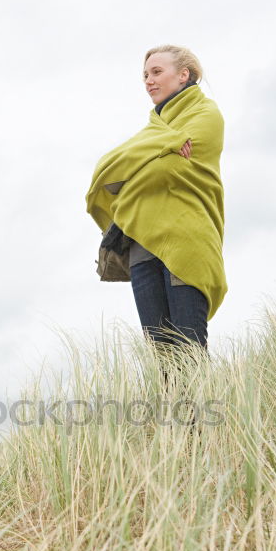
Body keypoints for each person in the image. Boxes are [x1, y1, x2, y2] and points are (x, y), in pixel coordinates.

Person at [85, 45, 227, 377]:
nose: (149, 81)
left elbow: (166, 172)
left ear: (184, 75)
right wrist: (164, 148)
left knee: (189, 351)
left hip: (185, 244)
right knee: (161, 358)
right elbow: (106, 168)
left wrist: (135, 171)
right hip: (142, 250)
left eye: (157, 72)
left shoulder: (207, 115)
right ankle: (174, 431)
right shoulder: (154, 130)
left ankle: (205, 428)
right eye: (145, 75)